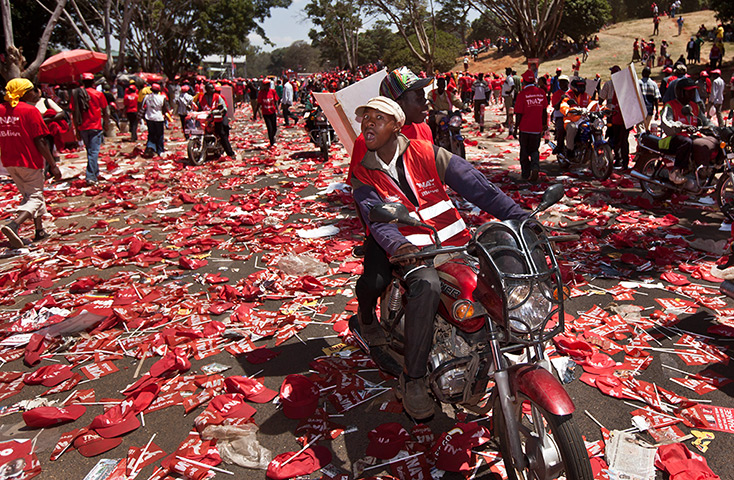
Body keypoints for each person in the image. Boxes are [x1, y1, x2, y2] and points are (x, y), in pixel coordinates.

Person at [349, 96, 527, 419]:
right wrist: (400, 248)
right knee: (427, 286)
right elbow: (376, 220)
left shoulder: (427, 153)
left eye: (378, 117)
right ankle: (413, 378)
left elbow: (478, 187)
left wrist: (521, 218)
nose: (368, 123)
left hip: (458, 246)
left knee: (501, 274)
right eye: (366, 118)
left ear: (396, 126)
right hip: (415, 257)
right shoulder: (363, 174)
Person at [0, 79, 61, 248]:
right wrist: (53, 165)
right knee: (35, 197)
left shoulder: (1, 110)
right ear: (25, 93)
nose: (36, 93)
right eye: (33, 90)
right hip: (29, 160)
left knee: (28, 195)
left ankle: (39, 230)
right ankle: (14, 224)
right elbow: (40, 141)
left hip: (9, 161)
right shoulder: (30, 111)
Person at [660, 78, 717, 184]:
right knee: (686, 141)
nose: (692, 94)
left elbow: (704, 121)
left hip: (690, 137)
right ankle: (675, 172)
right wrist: (681, 126)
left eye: (693, 91)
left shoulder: (694, 107)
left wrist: (716, 129)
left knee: (709, 142)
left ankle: (705, 171)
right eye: (689, 91)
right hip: (673, 139)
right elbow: (666, 121)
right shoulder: (670, 105)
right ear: (680, 92)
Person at [70, 72, 109, 186]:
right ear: (93, 82)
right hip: (95, 126)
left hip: (82, 126)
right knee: (94, 152)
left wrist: (76, 130)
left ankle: (95, 173)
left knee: (90, 151)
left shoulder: (76, 95)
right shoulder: (98, 94)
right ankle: (91, 176)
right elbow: (105, 110)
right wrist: (106, 123)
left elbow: (73, 112)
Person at [514, 70, 548, 181]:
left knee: (524, 150)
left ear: (524, 81)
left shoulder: (522, 94)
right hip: (537, 128)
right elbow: (544, 111)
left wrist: (515, 129)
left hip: (525, 128)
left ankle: (525, 174)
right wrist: (544, 124)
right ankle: (535, 167)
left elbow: (518, 114)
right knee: (534, 150)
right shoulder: (541, 93)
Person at [196, 83, 235, 157]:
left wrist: (221, 112)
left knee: (222, 133)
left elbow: (224, 107)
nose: (213, 90)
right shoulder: (201, 98)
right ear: (207, 90)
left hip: (217, 117)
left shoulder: (218, 97)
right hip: (206, 119)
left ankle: (230, 153)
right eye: (211, 89)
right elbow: (199, 107)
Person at [561, 78, 592, 157]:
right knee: (572, 128)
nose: (582, 88)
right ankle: (570, 150)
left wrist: (604, 110)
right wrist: (568, 110)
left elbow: (593, 105)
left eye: (583, 86)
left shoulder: (586, 96)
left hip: (583, 119)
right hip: (571, 120)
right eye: (579, 86)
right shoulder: (568, 95)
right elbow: (564, 105)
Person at [140, 83, 168, 157]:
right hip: (158, 118)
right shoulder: (162, 98)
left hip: (149, 117)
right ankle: (160, 150)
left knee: (151, 134)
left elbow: (142, 106)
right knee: (160, 135)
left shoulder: (146, 97)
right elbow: (164, 109)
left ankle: (151, 147)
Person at [253, 79, 279, 147]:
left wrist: (278, 109)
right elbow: (258, 104)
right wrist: (255, 114)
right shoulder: (261, 93)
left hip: (272, 112)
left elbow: (276, 101)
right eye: (265, 85)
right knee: (269, 128)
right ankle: (272, 142)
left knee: (275, 128)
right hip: (265, 113)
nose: (267, 86)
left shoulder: (273, 91)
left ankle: (272, 137)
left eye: (268, 85)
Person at [551, 75, 570, 154]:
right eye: (560, 82)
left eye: (564, 82)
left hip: (571, 116)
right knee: (561, 129)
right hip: (560, 116)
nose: (562, 84)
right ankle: (559, 146)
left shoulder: (571, 93)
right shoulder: (556, 94)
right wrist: (561, 100)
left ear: (567, 83)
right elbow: (556, 107)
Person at [500, 68, 514, 134]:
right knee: (507, 109)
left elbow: (512, 86)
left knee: (509, 109)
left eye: (507, 71)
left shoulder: (509, 78)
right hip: (507, 95)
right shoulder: (508, 78)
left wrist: (509, 92)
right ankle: (507, 120)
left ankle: (509, 122)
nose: (506, 72)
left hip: (508, 96)